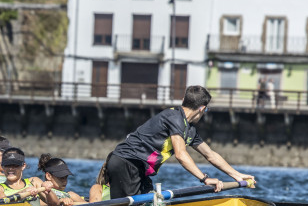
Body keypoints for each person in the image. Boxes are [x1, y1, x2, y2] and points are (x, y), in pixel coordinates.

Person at [107, 85, 255, 199]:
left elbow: (210, 155)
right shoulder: (174, 117)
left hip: (140, 171)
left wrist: (236, 175)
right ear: (202, 109)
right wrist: (205, 179)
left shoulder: (189, 130)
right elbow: (181, 154)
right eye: (206, 110)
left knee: (149, 204)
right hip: (126, 163)